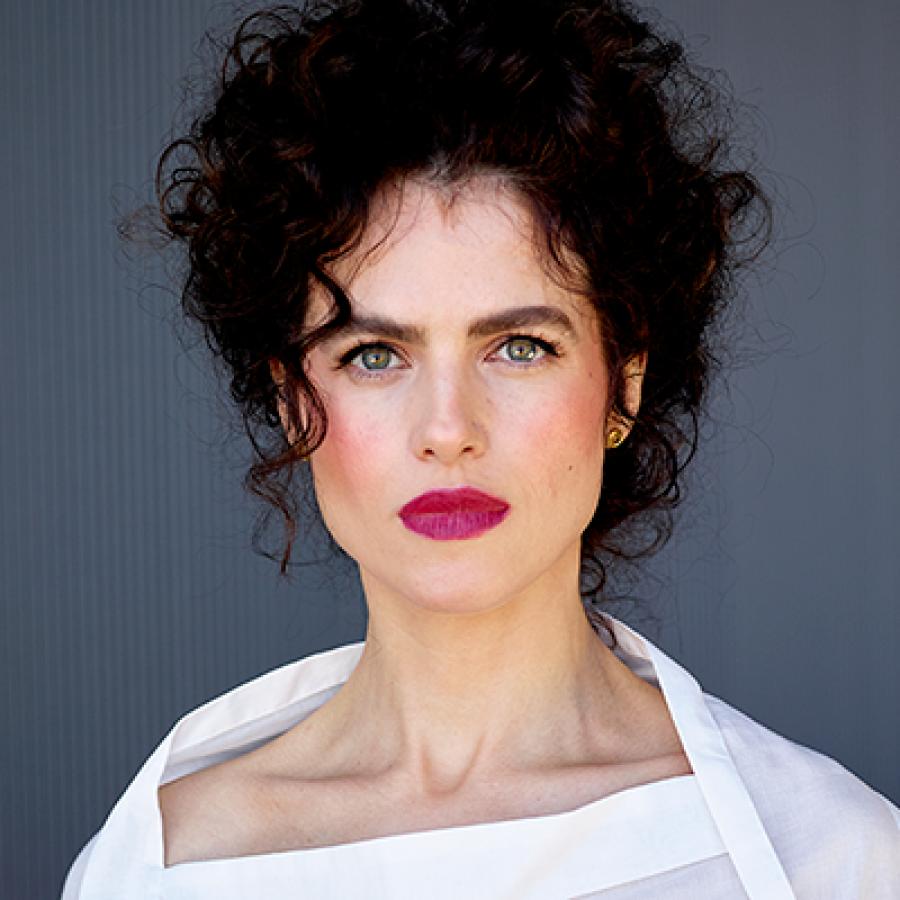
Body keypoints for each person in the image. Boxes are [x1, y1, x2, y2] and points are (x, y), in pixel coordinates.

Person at [63, 0, 899, 897]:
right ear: (291, 400)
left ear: (623, 384)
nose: (448, 429)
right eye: (374, 355)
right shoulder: (158, 868)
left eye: (519, 347)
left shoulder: (826, 857)